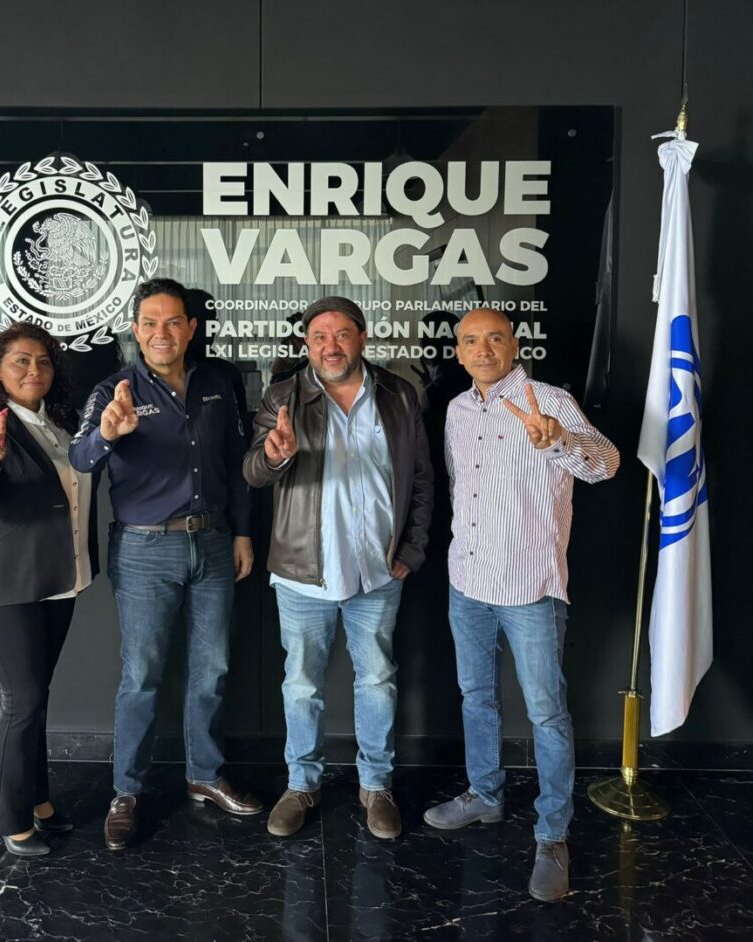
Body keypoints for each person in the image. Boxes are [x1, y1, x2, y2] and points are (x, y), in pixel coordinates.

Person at [423, 307, 619, 901]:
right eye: (470, 341)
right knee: (476, 696)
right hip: (467, 582)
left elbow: (606, 464)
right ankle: (485, 795)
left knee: (546, 713)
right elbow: (462, 486)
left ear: (514, 345)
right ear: (459, 352)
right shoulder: (457, 409)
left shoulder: (550, 400)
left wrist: (558, 440)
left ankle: (552, 834)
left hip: (530, 587)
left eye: (494, 338)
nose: (482, 350)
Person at [69, 277, 261, 851]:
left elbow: (236, 463)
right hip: (145, 550)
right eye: (150, 323)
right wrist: (107, 434)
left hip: (214, 543)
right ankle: (126, 792)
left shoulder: (218, 384)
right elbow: (80, 456)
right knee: (142, 676)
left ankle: (205, 775)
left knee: (213, 669)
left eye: (173, 322)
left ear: (190, 328)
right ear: (135, 330)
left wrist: (243, 532)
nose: (162, 333)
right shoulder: (113, 389)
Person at [244, 296, 434, 840]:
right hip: (304, 573)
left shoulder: (397, 394)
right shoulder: (283, 396)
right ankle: (301, 784)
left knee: (377, 680)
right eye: (320, 336)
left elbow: (422, 478)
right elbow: (253, 472)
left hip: (379, 572)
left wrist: (412, 550)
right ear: (307, 343)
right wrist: (275, 455)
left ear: (362, 338)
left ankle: (376, 785)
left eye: (342, 334)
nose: (331, 346)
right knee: (302, 684)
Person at [0, 322, 98, 857]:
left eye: (43, 361)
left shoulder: (61, 424)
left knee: (36, 700)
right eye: (21, 361)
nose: (34, 370)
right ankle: (6, 817)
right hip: (6, 588)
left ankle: (38, 799)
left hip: (60, 580)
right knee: (22, 701)